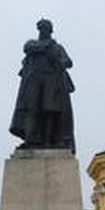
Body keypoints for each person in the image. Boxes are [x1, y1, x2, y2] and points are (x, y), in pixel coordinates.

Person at [9, 18, 75, 152]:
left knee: (50, 111)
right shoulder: (33, 44)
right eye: (41, 28)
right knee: (32, 110)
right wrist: (47, 47)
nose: (43, 31)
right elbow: (27, 48)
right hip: (34, 82)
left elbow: (68, 62)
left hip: (52, 82)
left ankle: (49, 141)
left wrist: (60, 61)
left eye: (46, 28)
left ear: (50, 30)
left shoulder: (58, 47)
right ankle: (31, 140)